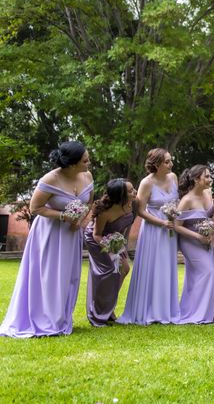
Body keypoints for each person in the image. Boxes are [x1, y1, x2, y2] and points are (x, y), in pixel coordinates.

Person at [0, 141, 93, 337]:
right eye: (85, 160)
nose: (89, 163)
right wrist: (63, 216)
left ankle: (61, 317)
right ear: (73, 163)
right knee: (49, 275)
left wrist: (81, 220)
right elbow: (35, 208)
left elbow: (89, 201)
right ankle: (45, 319)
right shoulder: (50, 179)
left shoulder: (87, 176)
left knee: (69, 276)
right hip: (50, 234)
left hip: (71, 234)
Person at [118, 148, 180, 325]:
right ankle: (147, 309)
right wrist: (161, 222)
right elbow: (140, 210)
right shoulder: (147, 183)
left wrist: (174, 214)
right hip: (153, 230)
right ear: (157, 164)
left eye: (170, 161)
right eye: (167, 162)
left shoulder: (173, 177)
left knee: (166, 266)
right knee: (152, 266)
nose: (171, 164)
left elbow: (176, 202)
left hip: (169, 229)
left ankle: (165, 310)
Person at [85, 179, 137, 327]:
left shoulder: (132, 203)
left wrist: (121, 245)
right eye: (131, 191)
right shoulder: (105, 211)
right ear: (120, 196)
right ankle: (98, 313)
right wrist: (112, 249)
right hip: (97, 240)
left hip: (115, 239)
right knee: (108, 272)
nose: (135, 192)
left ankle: (109, 308)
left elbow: (124, 227)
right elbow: (97, 234)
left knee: (124, 269)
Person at [175, 165, 214, 324]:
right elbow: (177, 225)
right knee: (208, 272)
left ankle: (204, 312)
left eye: (210, 176)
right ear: (196, 179)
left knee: (213, 273)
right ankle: (196, 315)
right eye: (206, 176)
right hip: (190, 241)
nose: (210, 179)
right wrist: (198, 237)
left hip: (206, 241)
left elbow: (212, 219)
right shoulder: (186, 200)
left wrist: (210, 233)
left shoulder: (208, 195)